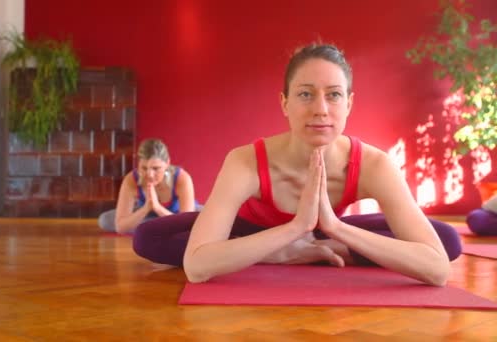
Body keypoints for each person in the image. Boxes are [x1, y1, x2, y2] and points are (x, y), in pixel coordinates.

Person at [132, 43, 462, 286]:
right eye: (305, 94)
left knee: (445, 238)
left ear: (349, 103)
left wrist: (335, 228)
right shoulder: (245, 161)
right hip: (251, 232)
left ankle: (320, 246)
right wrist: (290, 233)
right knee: (148, 236)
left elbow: (436, 268)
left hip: (332, 231)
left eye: (333, 95)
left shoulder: (374, 164)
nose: (320, 109)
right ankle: (289, 250)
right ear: (284, 102)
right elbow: (197, 266)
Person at [98, 138, 200, 234]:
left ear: (167, 163)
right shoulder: (131, 180)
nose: (150, 174)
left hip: (178, 214)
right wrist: (147, 208)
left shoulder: (182, 178)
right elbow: (120, 227)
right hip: (147, 214)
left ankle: (152, 227)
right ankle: (161, 227)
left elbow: (186, 224)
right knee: (105, 220)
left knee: (203, 219)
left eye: (156, 168)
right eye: (144, 168)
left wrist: (157, 207)